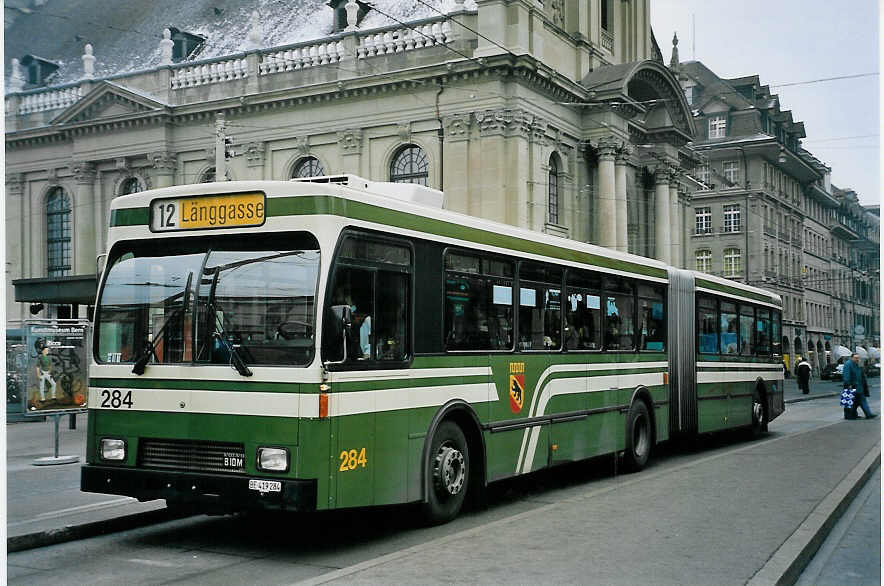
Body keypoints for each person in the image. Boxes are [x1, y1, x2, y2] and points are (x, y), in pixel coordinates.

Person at [842, 353, 876, 419]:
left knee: (858, 401)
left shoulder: (856, 365)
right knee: (851, 402)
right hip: (852, 386)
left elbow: (860, 375)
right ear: (851, 358)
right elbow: (846, 376)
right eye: (856, 358)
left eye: (858, 358)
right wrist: (848, 384)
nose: (857, 359)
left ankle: (866, 414)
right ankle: (851, 415)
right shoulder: (848, 364)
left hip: (858, 387)